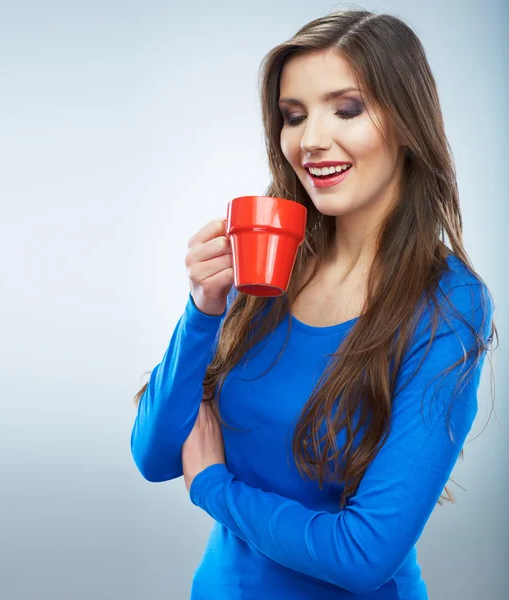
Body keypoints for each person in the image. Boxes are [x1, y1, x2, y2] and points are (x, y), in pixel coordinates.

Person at [130, 8, 497, 599]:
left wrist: (214, 488)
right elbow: (153, 454)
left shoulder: (447, 300)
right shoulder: (269, 264)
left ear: (406, 123)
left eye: (346, 109)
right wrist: (202, 310)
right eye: (293, 116)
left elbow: (363, 555)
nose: (311, 139)